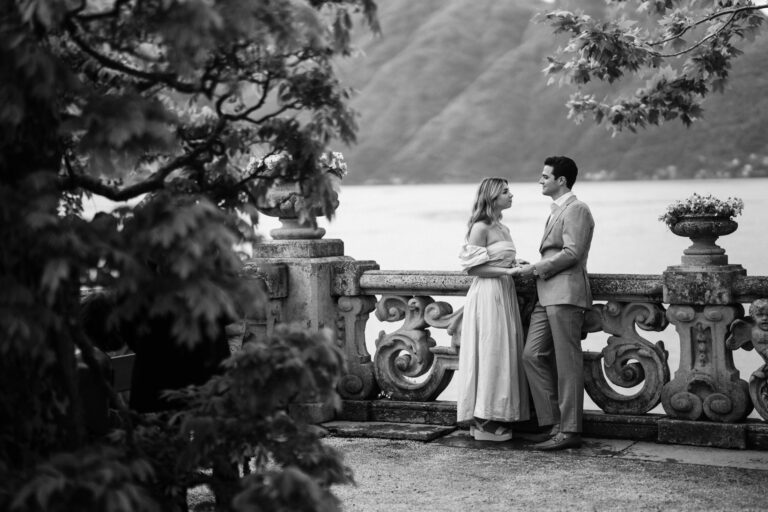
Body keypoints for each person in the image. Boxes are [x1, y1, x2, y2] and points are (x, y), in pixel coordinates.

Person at [518, 156, 594, 451]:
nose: (541, 180)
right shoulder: (557, 211)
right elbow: (556, 251)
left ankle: (570, 430)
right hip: (545, 294)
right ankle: (552, 423)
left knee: (567, 364)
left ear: (561, 180)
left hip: (565, 295)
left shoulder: (577, 209)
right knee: (531, 355)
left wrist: (537, 268)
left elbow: (573, 252)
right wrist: (533, 265)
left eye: (545, 176)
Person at [457, 177, 530, 441]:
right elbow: (474, 269)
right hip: (488, 294)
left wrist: (515, 262)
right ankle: (483, 420)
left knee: (504, 353)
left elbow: (499, 259)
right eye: (505, 192)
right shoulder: (480, 227)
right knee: (489, 351)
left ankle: (497, 414)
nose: (511, 195)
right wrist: (510, 270)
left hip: (505, 293)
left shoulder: (504, 227)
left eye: (510, 190)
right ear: (492, 197)